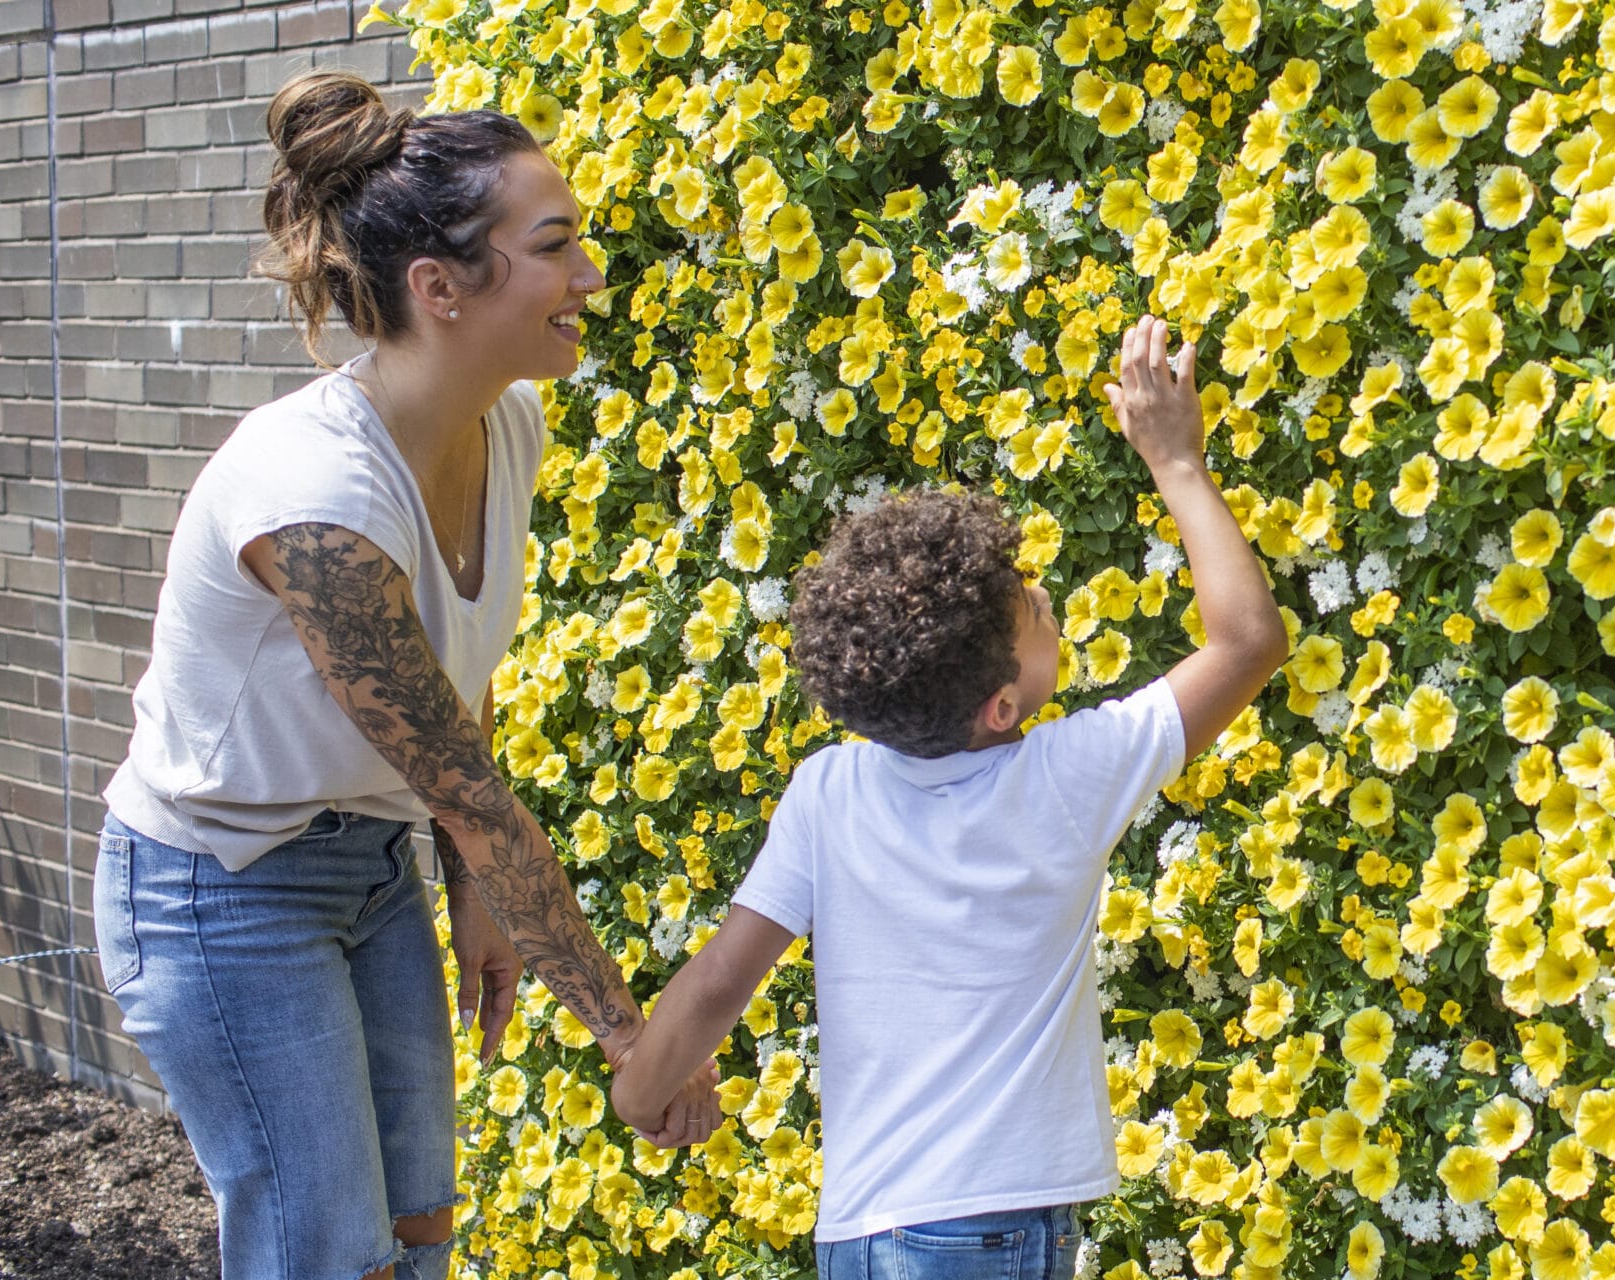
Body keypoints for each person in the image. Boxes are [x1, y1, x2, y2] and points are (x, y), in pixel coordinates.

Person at [91, 71, 718, 1280]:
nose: (590, 274)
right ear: (438, 287)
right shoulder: (317, 497)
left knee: (419, 1229)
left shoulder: (505, 421)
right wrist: (633, 1039)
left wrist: (465, 889)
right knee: (326, 1254)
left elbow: (449, 684)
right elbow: (475, 792)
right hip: (219, 889)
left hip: (368, 866)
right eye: (557, 246)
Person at [609, 317, 1288, 1277]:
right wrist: (1175, 461)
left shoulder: (828, 789)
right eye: (1032, 607)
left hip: (862, 1233)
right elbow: (1247, 642)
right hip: (989, 1231)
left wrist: (644, 1093)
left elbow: (723, 976)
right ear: (1003, 704)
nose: (1044, 595)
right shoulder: (1066, 777)